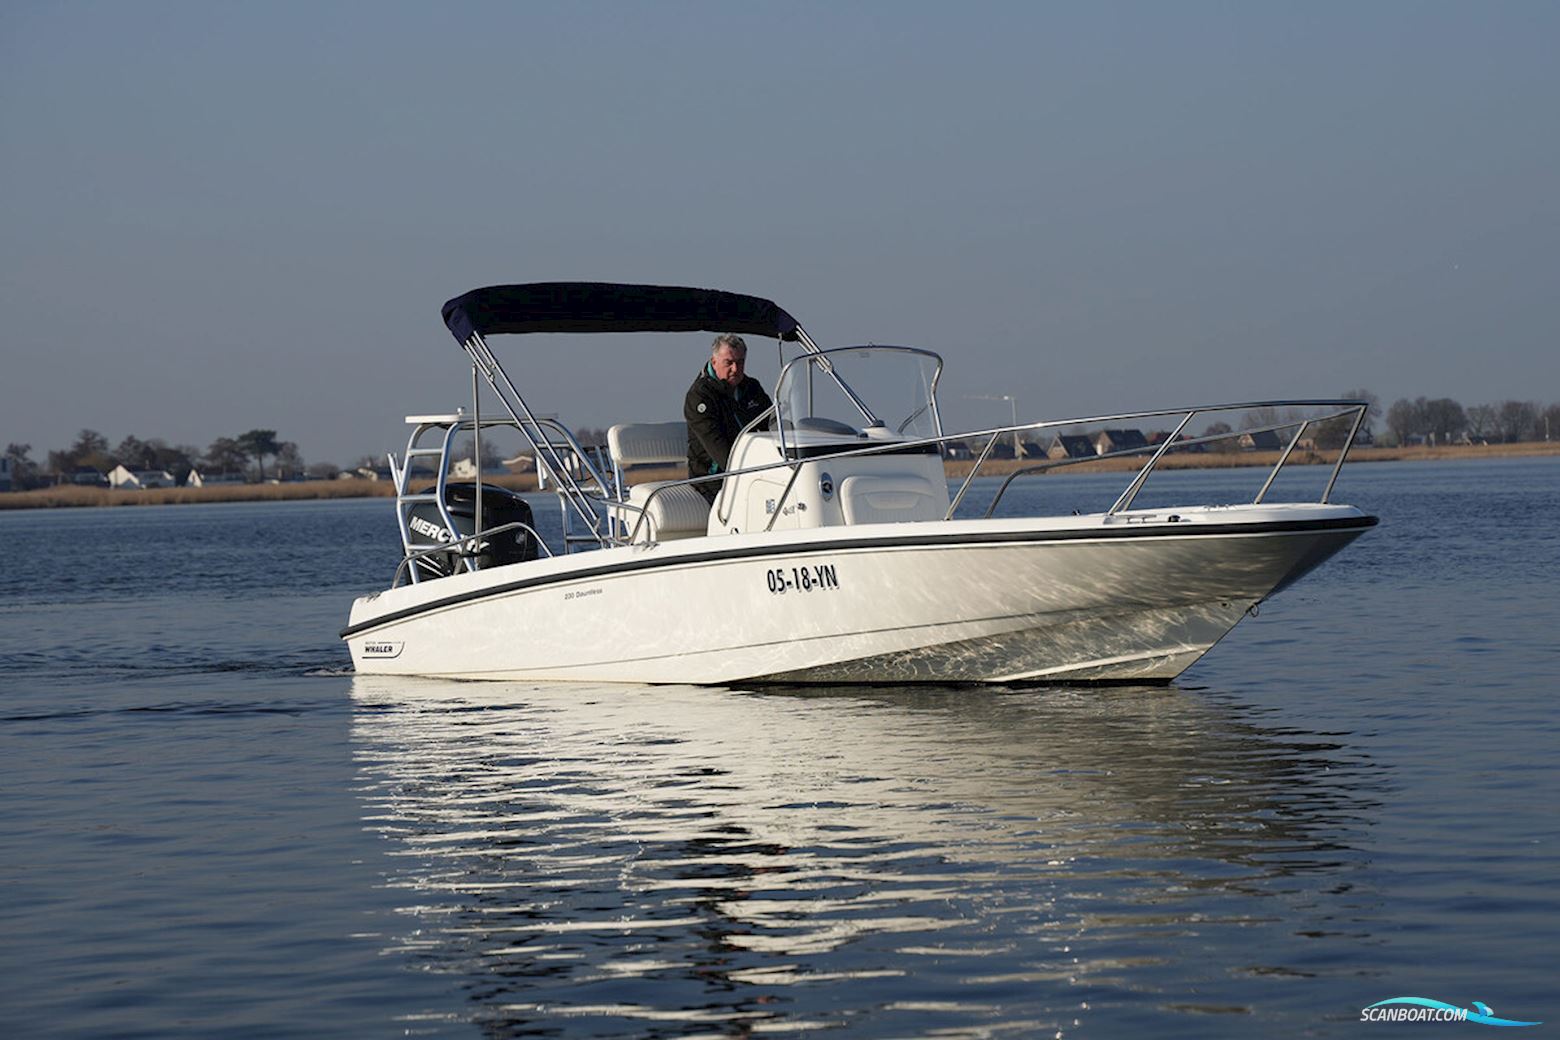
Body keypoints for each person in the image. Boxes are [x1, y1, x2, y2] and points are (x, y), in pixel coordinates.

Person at [684, 333, 772, 503]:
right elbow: (717, 447)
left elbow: (771, 424)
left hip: (753, 470)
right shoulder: (699, 396)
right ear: (714, 361)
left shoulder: (752, 388)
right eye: (729, 363)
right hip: (712, 478)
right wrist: (748, 474)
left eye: (740, 362)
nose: (735, 369)